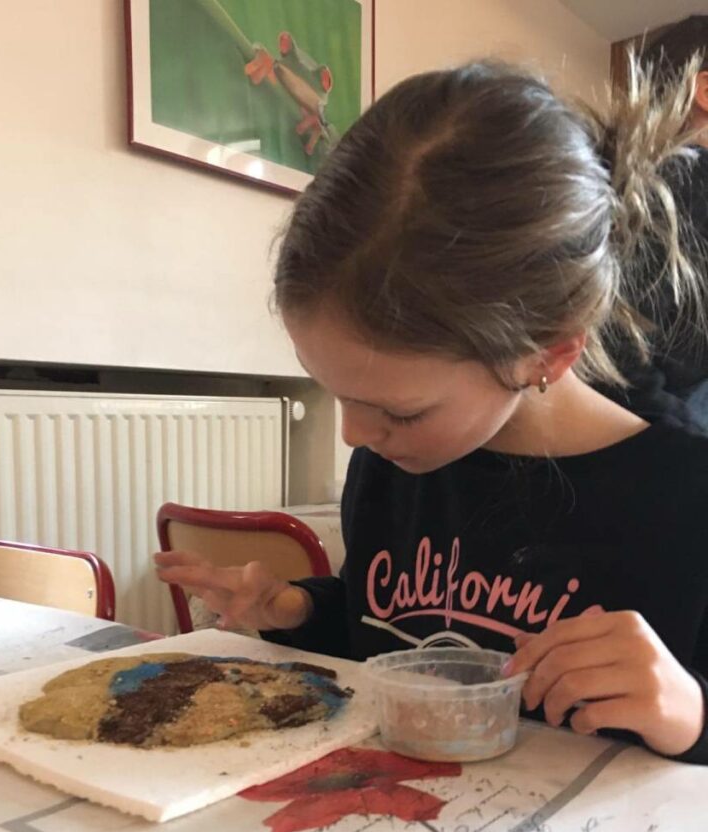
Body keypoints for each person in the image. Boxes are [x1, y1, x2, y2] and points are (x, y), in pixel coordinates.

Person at [156, 57, 708, 764]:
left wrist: (690, 712)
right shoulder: (394, 467)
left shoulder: (684, 500)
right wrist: (296, 610)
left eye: (402, 412)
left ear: (547, 352)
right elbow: (383, 633)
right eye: (334, 393)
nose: (355, 435)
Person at [599, 15, 708, 428]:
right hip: (665, 412)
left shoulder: (620, 178)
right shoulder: (687, 177)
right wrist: (684, 438)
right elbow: (617, 346)